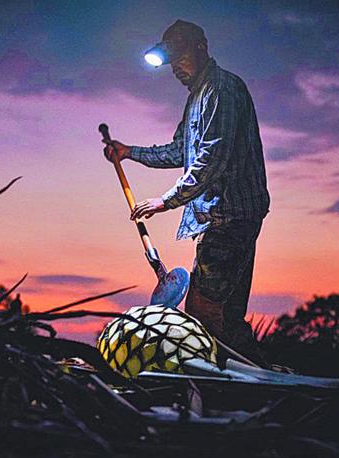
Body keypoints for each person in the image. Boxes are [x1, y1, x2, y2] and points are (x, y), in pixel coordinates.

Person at [102, 19, 270, 365]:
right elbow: (181, 152)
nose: (175, 68)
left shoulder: (222, 90)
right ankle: (252, 373)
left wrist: (164, 201)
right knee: (225, 312)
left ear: (201, 48)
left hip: (231, 215)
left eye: (180, 58)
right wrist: (129, 152)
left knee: (204, 307)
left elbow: (211, 160)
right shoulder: (196, 99)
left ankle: (220, 378)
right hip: (215, 218)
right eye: (170, 63)